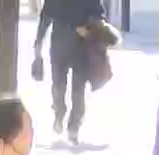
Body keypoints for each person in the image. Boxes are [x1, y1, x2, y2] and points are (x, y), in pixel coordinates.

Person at [34, 0, 107, 144]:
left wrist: (89, 28)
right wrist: (38, 42)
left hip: (81, 47)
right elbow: (46, 17)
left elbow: (100, 16)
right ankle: (59, 113)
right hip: (59, 45)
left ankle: (74, 126)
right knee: (58, 86)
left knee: (78, 89)